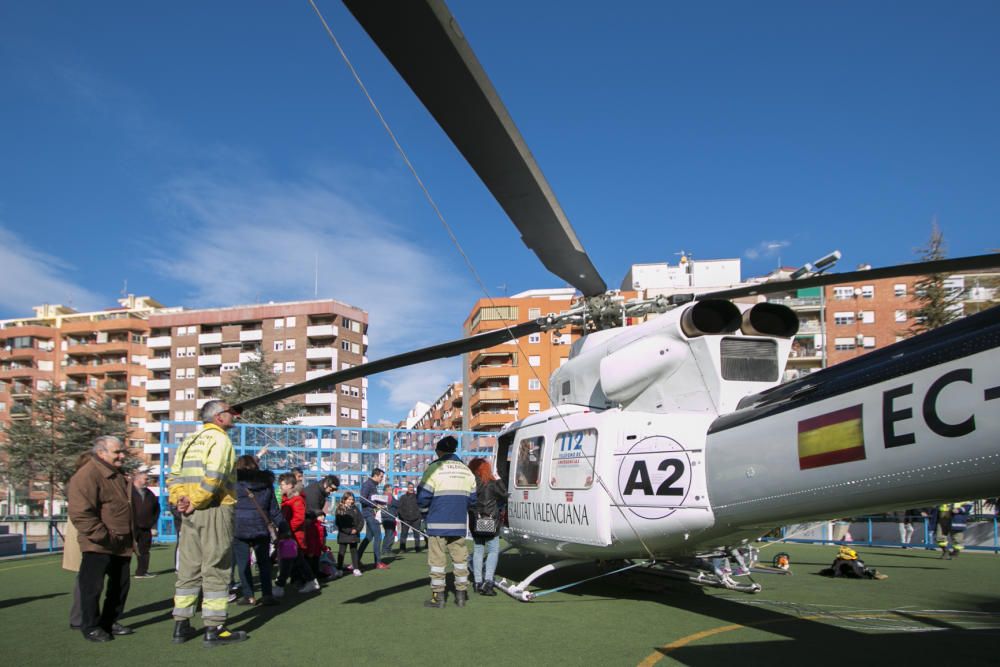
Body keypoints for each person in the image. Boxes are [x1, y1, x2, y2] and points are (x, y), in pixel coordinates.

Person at [167, 400, 247, 646]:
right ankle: (214, 628)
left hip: (189, 512)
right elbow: (215, 475)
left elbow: (174, 475)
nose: (233, 416)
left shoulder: (190, 440)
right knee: (217, 566)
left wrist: (181, 499)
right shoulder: (220, 440)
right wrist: (197, 501)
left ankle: (181, 624)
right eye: (229, 413)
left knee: (189, 567)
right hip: (214, 508)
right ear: (219, 417)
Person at [67, 435, 135, 642]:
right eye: (117, 452)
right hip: (99, 544)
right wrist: (103, 536)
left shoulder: (117, 474)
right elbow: (80, 513)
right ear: (101, 453)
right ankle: (91, 626)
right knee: (92, 587)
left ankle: (109, 622)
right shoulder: (87, 474)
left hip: (121, 543)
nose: (122, 455)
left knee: (120, 586)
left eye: (122, 451)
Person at [418, 435, 477, 608]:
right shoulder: (466, 470)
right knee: (460, 561)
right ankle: (461, 596)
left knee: (437, 563)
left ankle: (438, 598)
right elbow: (473, 500)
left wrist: (425, 515)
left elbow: (422, 497)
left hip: (437, 523)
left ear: (439, 451)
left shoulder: (434, 468)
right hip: (458, 524)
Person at [233, 455, 283, 606]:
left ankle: (249, 596)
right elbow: (274, 510)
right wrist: (284, 528)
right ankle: (267, 595)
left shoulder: (234, 484)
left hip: (239, 527)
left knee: (243, 563)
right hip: (261, 527)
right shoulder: (266, 484)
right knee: (264, 563)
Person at [63, 451, 96, 631]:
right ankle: (79, 617)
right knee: (85, 576)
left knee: (89, 576)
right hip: (85, 532)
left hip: (86, 531)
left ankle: (86, 614)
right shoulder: (80, 482)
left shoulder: (78, 481)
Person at [275, 472, 320, 595]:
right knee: (296, 560)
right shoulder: (289, 500)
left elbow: (298, 519)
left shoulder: (296, 500)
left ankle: (280, 586)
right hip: (291, 535)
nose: (280, 487)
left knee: (288, 561)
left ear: (290, 485)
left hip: (293, 536)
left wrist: (287, 530)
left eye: (282, 484)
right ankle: (311, 581)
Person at [467, 458, 507, 596]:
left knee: (478, 550)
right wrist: (498, 478)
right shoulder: (491, 483)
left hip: (475, 520)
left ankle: (477, 582)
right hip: (491, 521)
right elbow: (504, 495)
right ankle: (488, 581)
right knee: (493, 550)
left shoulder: (470, 483)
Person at [357, 468, 389, 569]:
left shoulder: (373, 485)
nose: (382, 479)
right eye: (381, 477)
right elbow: (362, 499)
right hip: (370, 514)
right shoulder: (368, 484)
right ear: (375, 475)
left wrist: (380, 504)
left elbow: (371, 498)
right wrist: (375, 505)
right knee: (378, 536)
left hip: (372, 513)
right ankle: (378, 562)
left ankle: (356, 560)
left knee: (368, 538)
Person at [131, 466, 159, 579]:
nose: (147, 481)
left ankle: (141, 572)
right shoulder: (128, 492)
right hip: (131, 527)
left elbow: (156, 510)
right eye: (145, 479)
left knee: (144, 550)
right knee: (126, 551)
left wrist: (152, 524)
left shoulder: (150, 494)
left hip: (146, 527)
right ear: (137, 479)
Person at [334, 492, 364, 576]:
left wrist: (357, 530)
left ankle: (356, 569)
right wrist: (349, 531)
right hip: (344, 534)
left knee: (354, 551)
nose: (351, 501)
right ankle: (339, 569)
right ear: (344, 499)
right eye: (349, 499)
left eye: (352, 499)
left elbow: (361, 520)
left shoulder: (355, 508)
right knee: (342, 552)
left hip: (354, 534)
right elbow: (339, 523)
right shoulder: (340, 509)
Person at [394, 482, 425, 553]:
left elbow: (421, 507)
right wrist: (402, 517)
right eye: (409, 487)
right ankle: (402, 549)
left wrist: (419, 516)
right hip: (405, 520)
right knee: (403, 535)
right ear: (407, 488)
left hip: (416, 519)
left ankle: (417, 548)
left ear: (413, 488)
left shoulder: (418, 497)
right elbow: (399, 508)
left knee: (416, 535)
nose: (411, 488)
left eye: (412, 487)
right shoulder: (402, 497)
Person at [380, 483, 398, 558]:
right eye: (390, 489)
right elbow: (396, 503)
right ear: (386, 490)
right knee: (390, 535)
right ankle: (387, 550)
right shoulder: (388, 496)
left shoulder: (383, 497)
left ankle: (384, 550)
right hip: (389, 518)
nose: (391, 491)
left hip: (386, 518)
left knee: (387, 535)